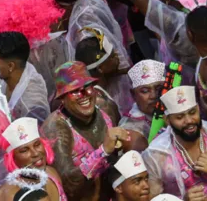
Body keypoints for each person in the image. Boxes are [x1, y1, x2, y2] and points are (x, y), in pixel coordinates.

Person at [42, 60, 136, 199]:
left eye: (87, 87)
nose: (83, 95)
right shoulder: (55, 128)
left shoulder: (106, 108)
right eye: (74, 91)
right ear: (62, 98)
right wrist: (102, 151)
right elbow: (70, 184)